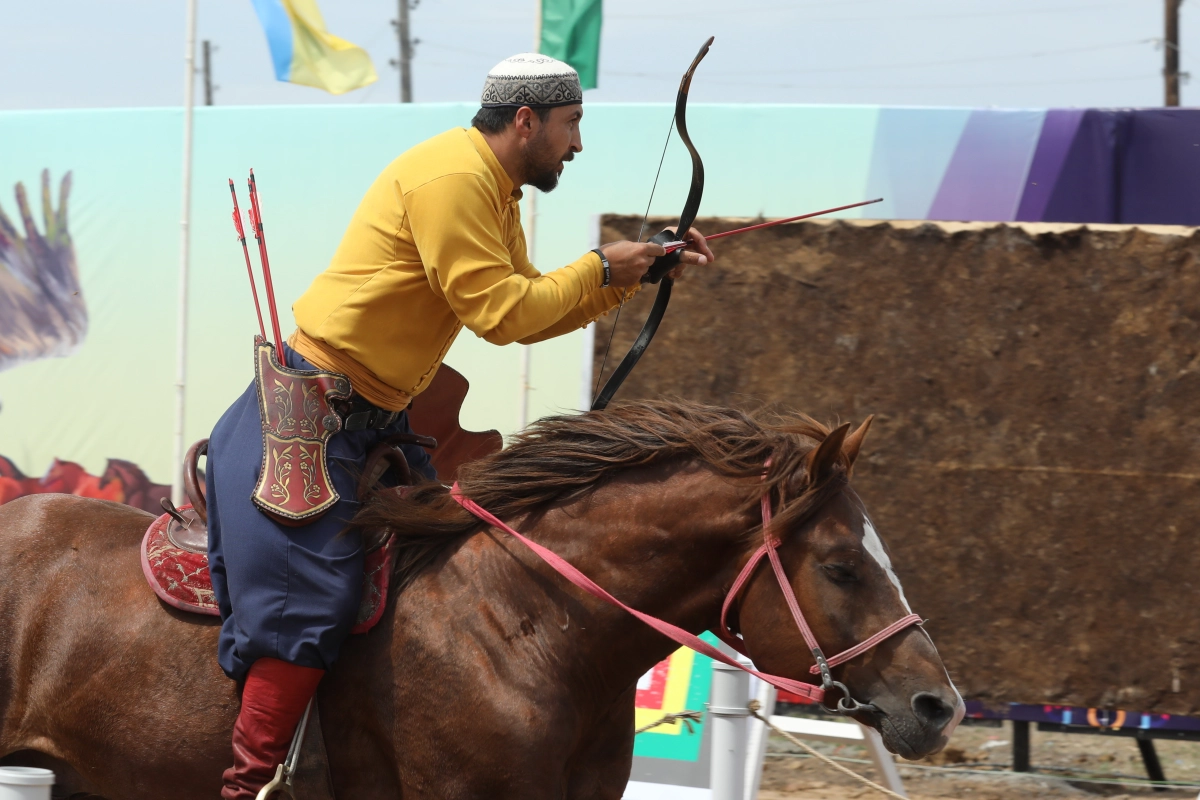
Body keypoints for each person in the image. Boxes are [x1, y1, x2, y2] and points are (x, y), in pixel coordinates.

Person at [205, 52, 716, 798]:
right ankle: (250, 786)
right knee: (307, 604)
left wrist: (629, 276)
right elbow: (503, 315)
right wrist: (604, 271)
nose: (578, 144)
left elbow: (529, 300)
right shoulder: (453, 180)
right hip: (313, 420)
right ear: (525, 120)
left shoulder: (493, 186)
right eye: (572, 125)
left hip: (377, 420)